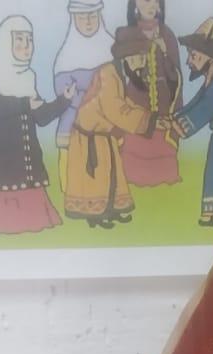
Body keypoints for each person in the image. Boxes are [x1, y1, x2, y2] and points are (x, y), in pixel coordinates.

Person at [0, 15, 74, 235]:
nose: (26, 46)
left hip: (27, 160)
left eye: (29, 40)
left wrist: (64, 100)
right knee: (9, 213)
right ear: (6, 42)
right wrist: (23, 104)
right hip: (3, 160)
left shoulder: (27, 77)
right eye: (19, 40)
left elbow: (40, 116)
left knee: (36, 221)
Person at [64, 27, 161, 228]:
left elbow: (123, 102)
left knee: (112, 174)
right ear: (129, 57)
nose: (143, 62)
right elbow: (115, 109)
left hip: (102, 135)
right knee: (95, 180)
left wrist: (150, 117)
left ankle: (113, 210)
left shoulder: (117, 73)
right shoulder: (108, 74)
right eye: (141, 57)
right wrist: (148, 121)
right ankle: (95, 216)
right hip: (90, 136)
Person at [115, 0, 182, 187]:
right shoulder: (126, 34)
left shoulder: (167, 35)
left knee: (162, 144)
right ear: (134, 5)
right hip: (136, 98)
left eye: (155, 1)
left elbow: (175, 76)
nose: (151, 5)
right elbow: (120, 73)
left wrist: (165, 52)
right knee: (137, 140)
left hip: (163, 102)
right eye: (145, 0)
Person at [53, 0, 113, 184]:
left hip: (107, 124)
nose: (88, 22)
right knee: (74, 176)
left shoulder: (112, 49)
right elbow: (65, 95)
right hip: (73, 126)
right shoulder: (65, 58)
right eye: (82, 17)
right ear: (74, 18)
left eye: (92, 16)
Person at [172, 18, 213, 227]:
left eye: (193, 56)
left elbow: (207, 106)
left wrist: (179, 127)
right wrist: (174, 118)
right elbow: (198, 100)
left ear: (209, 55)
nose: (189, 62)